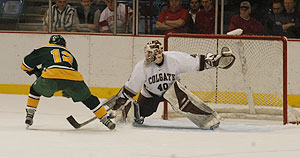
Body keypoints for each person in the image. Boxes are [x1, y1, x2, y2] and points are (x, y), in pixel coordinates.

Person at [107, 40, 235, 129]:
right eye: (147, 53)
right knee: (141, 112)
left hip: (172, 90)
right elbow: (130, 90)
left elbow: (197, 62)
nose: (147, 56)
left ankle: (208, 119)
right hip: (150, 94)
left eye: (150, 53)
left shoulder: (174, 59)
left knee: (185, 103)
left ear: (158, 52)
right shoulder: (141, 67)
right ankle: (124, 112)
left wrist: (216, 61)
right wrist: (118, 104)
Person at [21, 35, 115, 130]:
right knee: (88, 98)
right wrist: (68, 90)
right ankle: (105, 119)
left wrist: (35, 72)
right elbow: (72, 71)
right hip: (74, 78)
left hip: (51, 76)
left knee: (34, 90)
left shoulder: (44, 48)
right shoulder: (69, 54)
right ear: (64, 44)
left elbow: (25, 64)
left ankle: (30, 114)